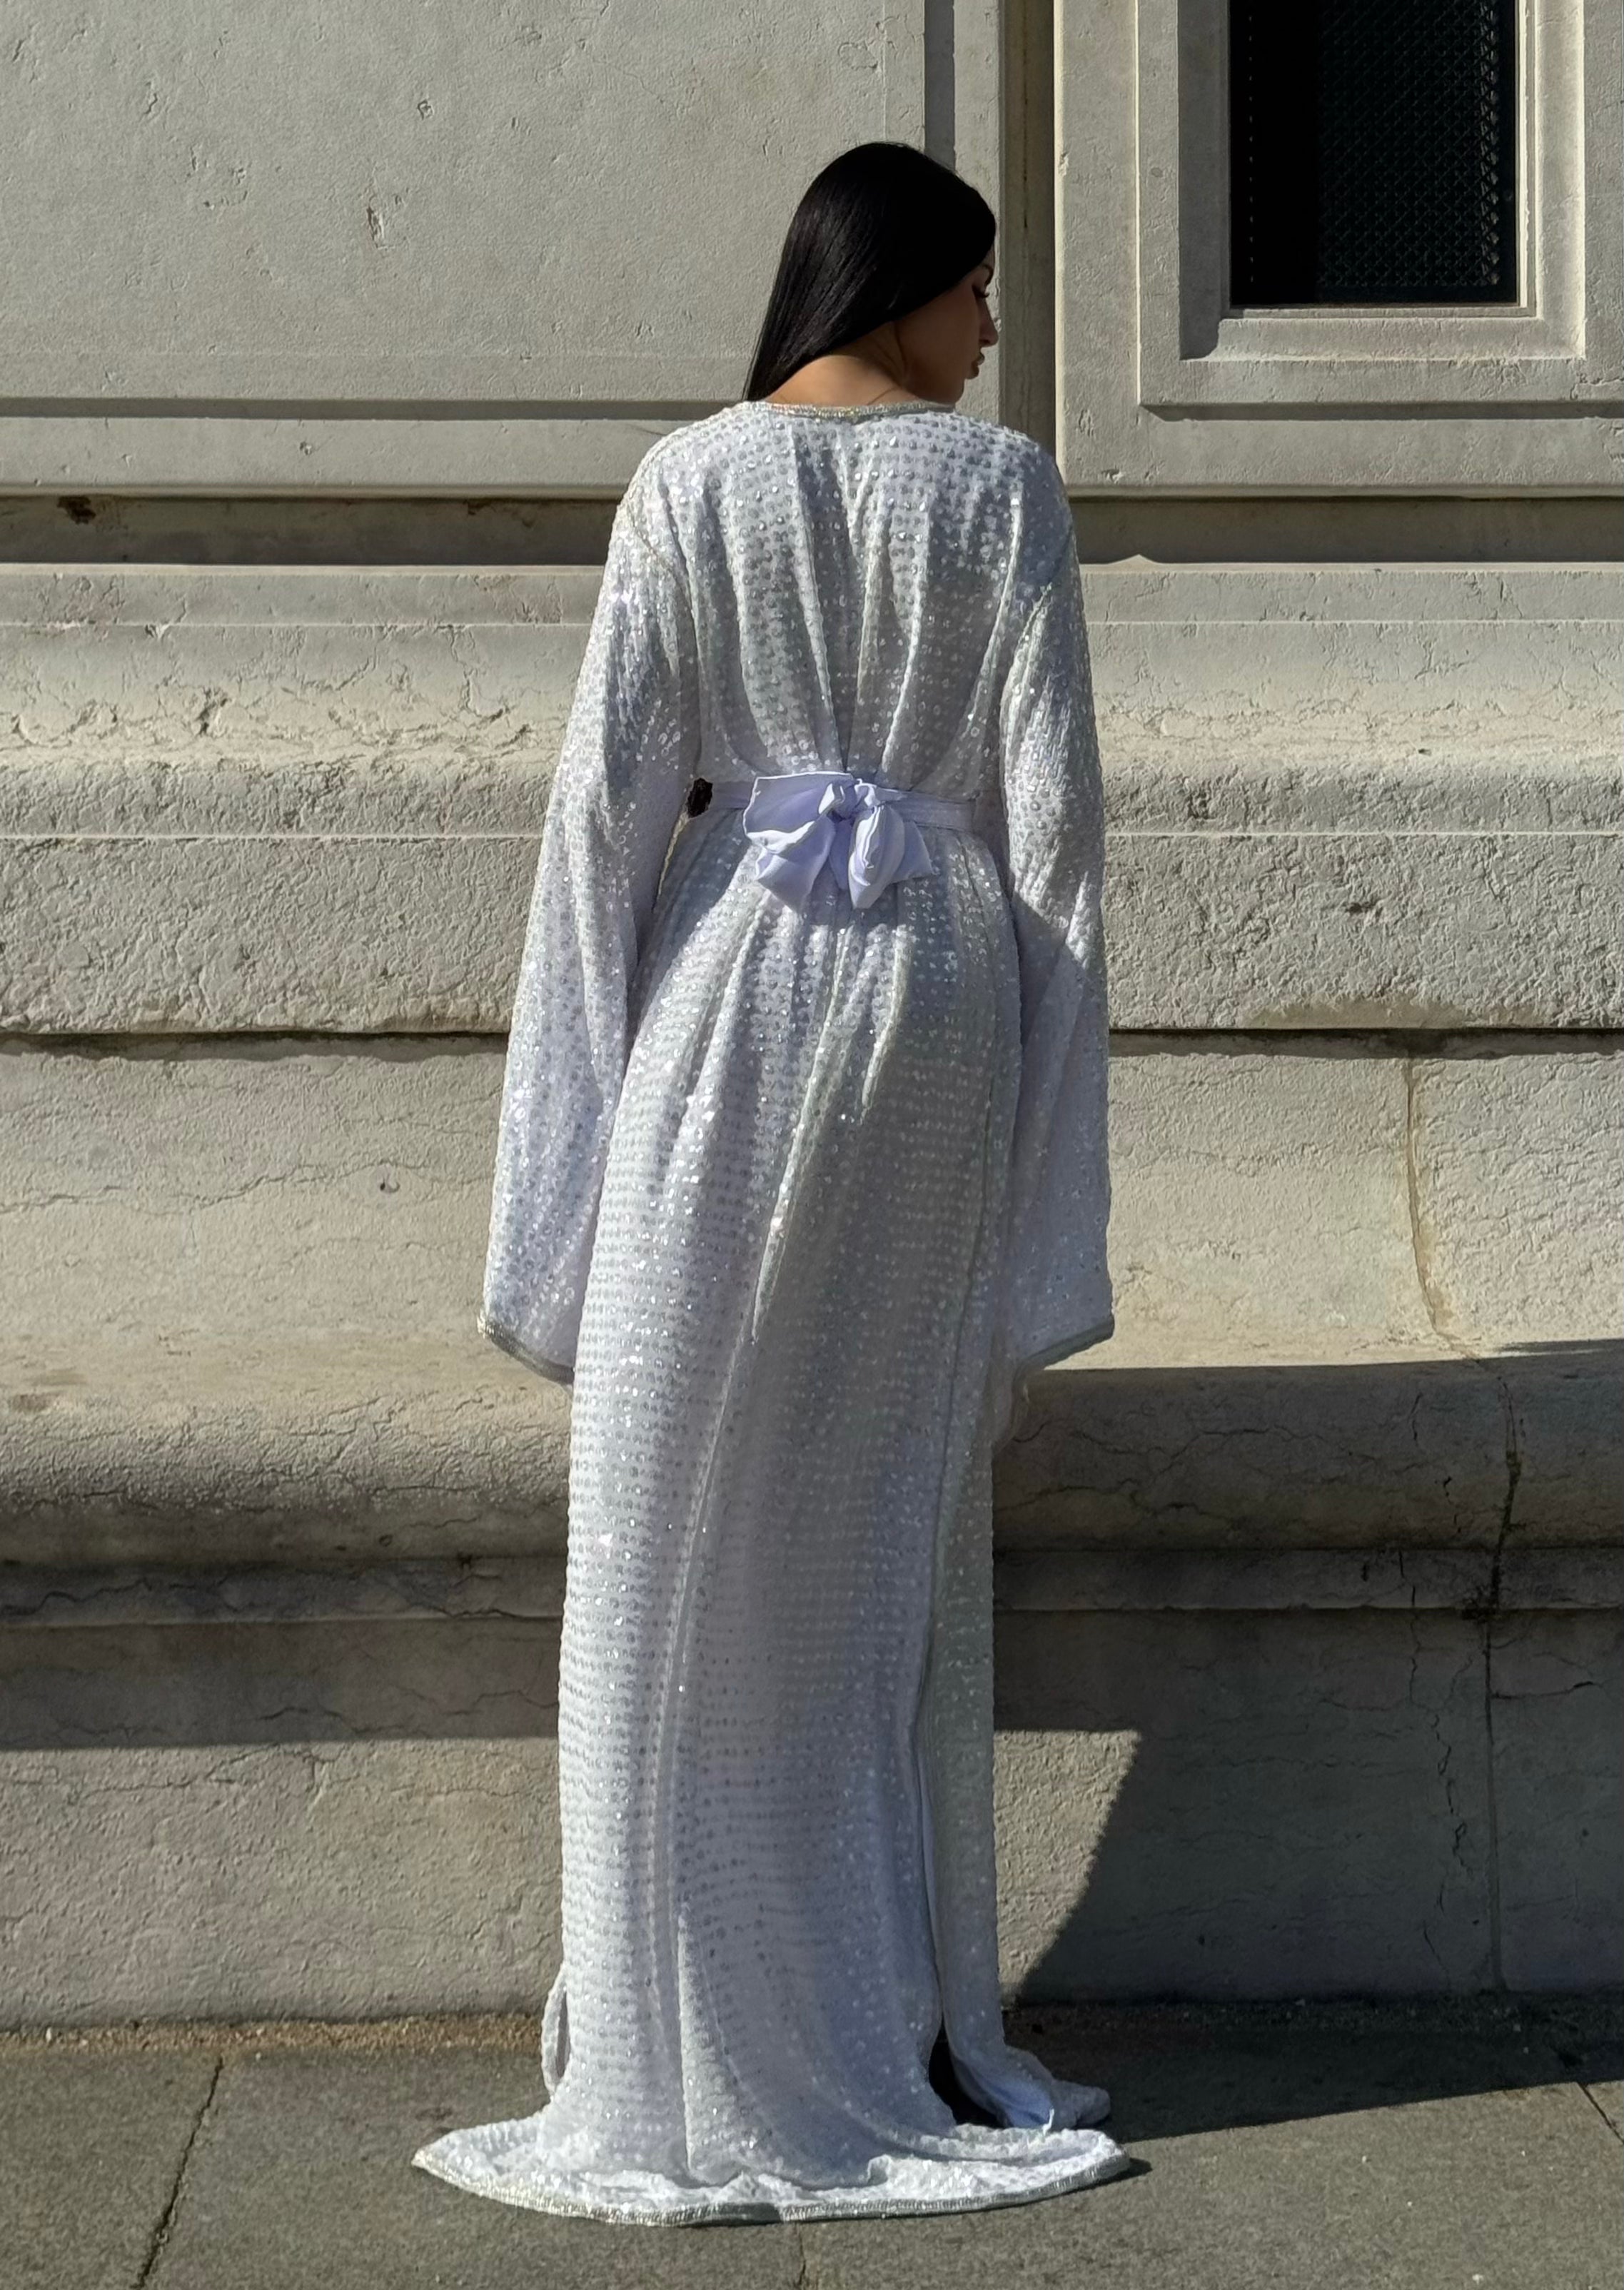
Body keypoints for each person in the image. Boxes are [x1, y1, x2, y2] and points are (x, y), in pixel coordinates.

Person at [412, 138, 1125, 2224]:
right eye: (975, 287)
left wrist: (564, 1167)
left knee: (663, 1484)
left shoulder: (683, 481)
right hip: (935, 1005)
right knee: (874, 1506)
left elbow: (599, 828)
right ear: (895, 282)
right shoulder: (999, 497)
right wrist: (1057, 1171)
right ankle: (869, 2000)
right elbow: (1060, 840)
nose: (990, 331)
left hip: (728, 989)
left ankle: (671, 2006)